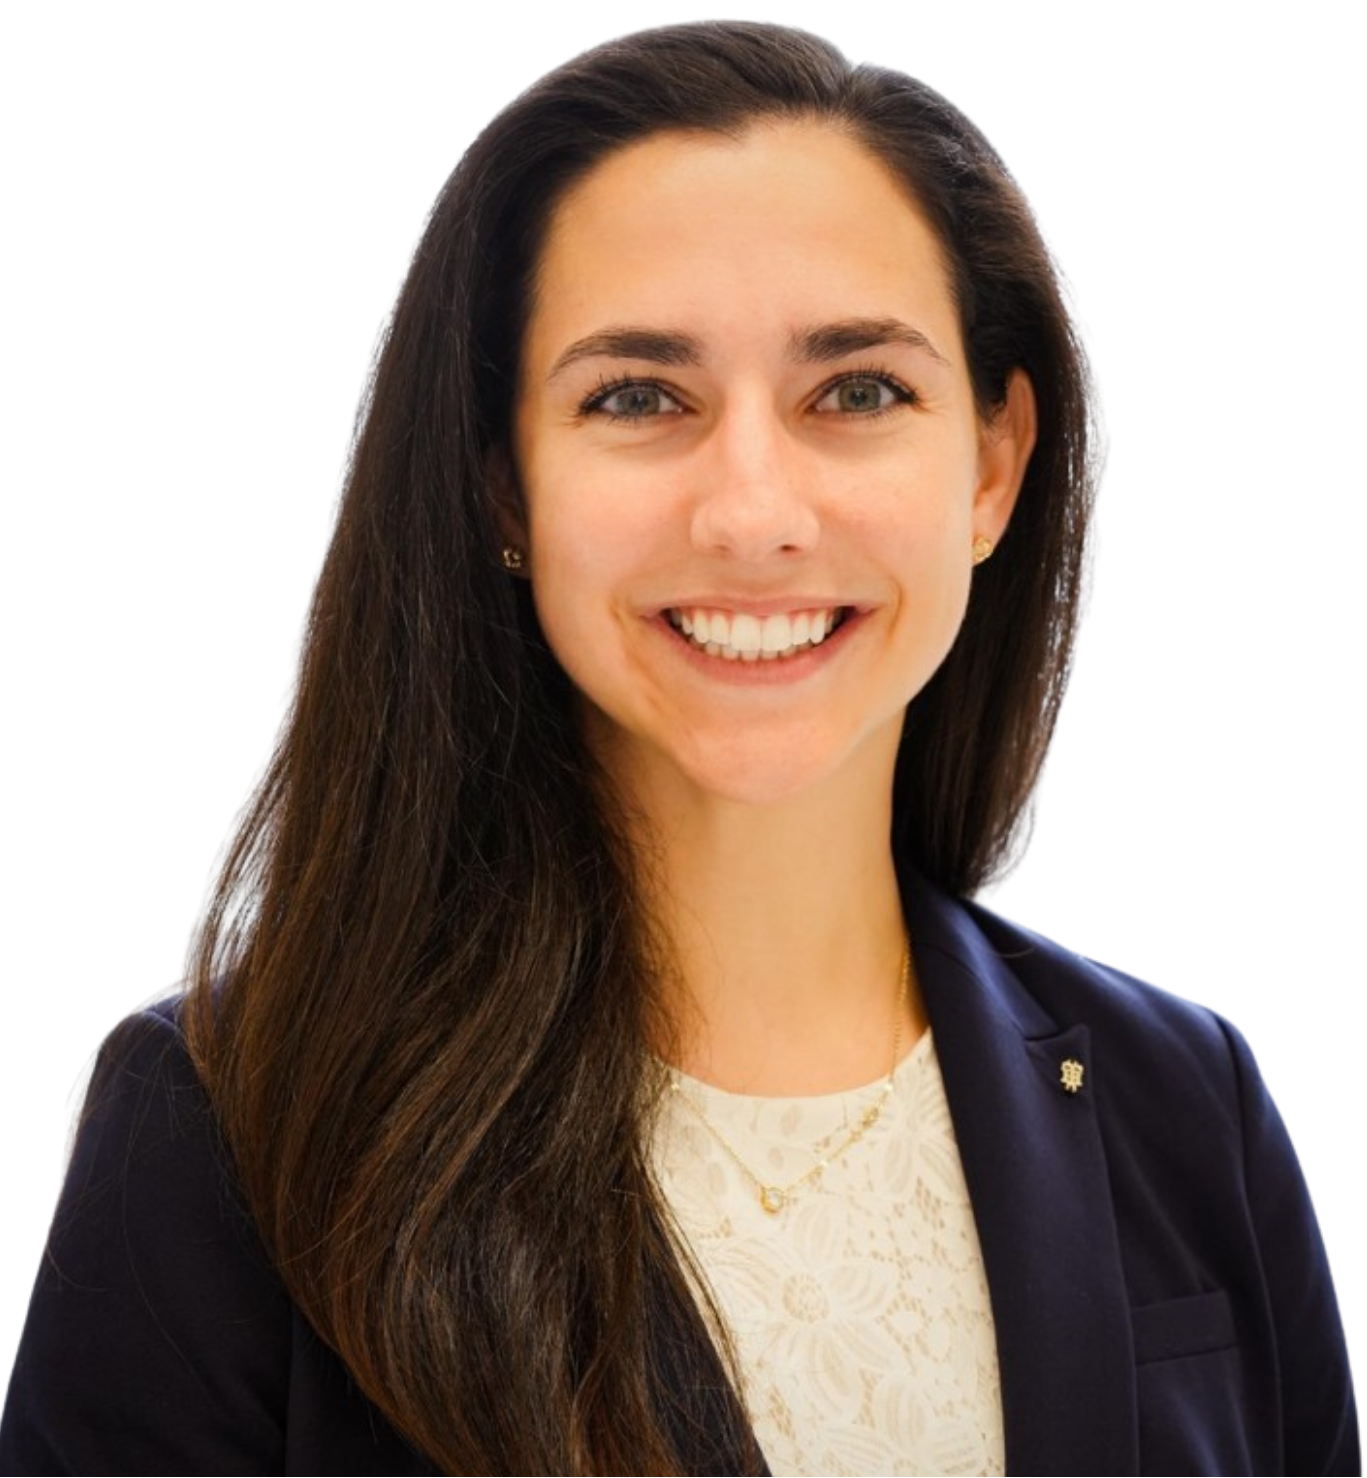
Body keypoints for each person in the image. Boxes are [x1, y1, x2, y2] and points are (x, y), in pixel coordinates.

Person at [0, 20, 1356, 1477]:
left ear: (989, 462)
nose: (753, 511)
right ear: (499, 489)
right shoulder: (228, 1130)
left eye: (857, 390)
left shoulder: (1185, 1107)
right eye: (638, 397)